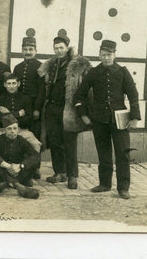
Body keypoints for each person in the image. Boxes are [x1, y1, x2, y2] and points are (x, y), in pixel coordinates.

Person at [73, 39, 141, 199]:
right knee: (103, 153)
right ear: (99, 55)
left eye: (109, 55)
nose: (105, 58)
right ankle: (104, 184)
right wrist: (84, 116)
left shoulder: (123, 72)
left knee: (123, 154)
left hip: (120, 121)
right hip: (99, 120)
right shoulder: (94, 73)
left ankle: (123, 188)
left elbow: (133, 95)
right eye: (103, 55)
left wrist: (135, 117)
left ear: (114, 55)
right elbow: (79, 95)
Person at [37, 36, 91, 189]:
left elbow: (87, 88)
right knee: (54, 142)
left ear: (67, 47)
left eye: (61, 47)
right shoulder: (51, 64)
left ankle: (72, 176)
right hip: (52, 108)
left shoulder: (79, 65)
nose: (59, 50)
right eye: (56, 48)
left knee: (69, 143)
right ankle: (59, 172)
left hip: (68, 110)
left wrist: (84, 110)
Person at [0, 114, 41, 199]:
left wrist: (21, 166)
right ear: (4, 130)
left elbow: (35, 155)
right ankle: (18, 186)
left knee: (30, 165)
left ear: (18, 130)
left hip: (17, 171)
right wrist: (5, 165)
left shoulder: (21, 141)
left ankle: (4, 184)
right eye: (9, 129)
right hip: (2, 171)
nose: (12, 131)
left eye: (15, 128)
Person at [0, 73, 42, 154]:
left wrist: (8, 113)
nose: (11, 86)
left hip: (21, 129)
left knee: (36, 144)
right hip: (2, 130)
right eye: (9, 83)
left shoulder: (26, 99)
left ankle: (30, 166)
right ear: (5, 85)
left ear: (18, 84)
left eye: (14, 83)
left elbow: (28, 120)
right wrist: (18, 114)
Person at [12, 32, 43, 143]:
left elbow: (41, 90)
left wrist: (37, 109)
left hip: (34, 105)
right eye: (25, 49)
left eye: (30, 49)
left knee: (35, 135)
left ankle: (35, 160)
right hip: (21, 106)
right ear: (22, 51)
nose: (28, 52)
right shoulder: (18, 67)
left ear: (35, 51)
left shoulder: (40, 66)